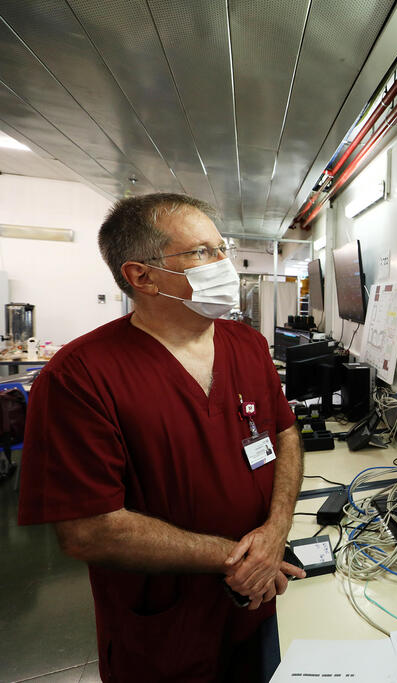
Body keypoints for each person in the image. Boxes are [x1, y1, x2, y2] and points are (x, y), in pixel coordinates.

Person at [18, 193, 305, 682]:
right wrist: (242, 558)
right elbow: (89, 529)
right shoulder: (79, 377)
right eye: (202, 252)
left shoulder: (247, 344)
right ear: (142, 276)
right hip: (166, 628)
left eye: (222, 248)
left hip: (255, 601)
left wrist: (276, 532)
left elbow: (285, 432)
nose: (224, 264)